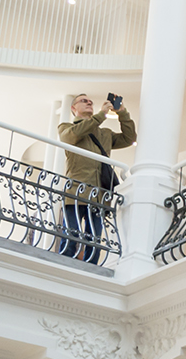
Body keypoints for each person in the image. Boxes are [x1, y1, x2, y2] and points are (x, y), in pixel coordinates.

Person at [57, 92, 136, 264]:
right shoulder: (65, 128)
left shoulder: (104, 134)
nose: (89, 103)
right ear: (73, 108)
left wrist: (122, 113)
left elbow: (129, 138)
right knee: (72, 234)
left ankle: (90, 270)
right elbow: (75, 134)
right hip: (76, 192)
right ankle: (63, 265)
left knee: (94, 240)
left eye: (91, 102)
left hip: (99, 195)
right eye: (83, 101)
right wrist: (101, 115)